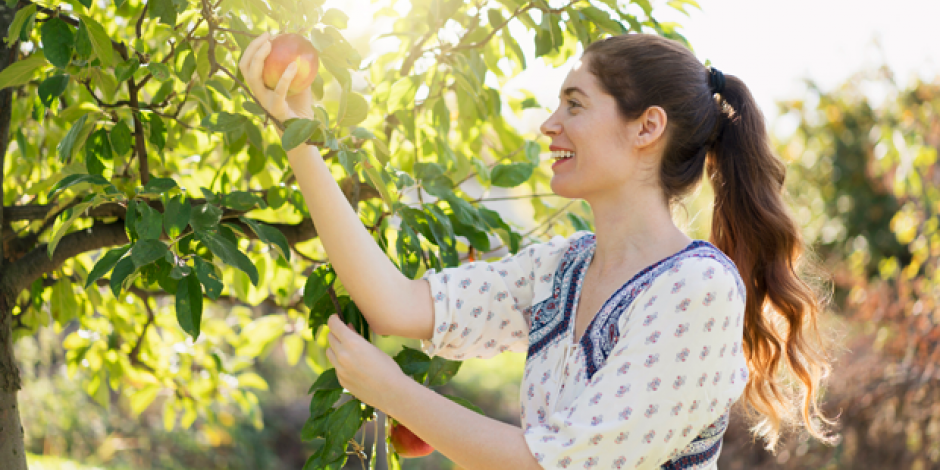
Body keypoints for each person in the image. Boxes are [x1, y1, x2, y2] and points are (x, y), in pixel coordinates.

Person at [238, 32, 833, 469]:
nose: (549, 124)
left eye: (575, 104)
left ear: (647, 127)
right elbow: (397, 305)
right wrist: (300, 131)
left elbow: (550, 466)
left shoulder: (696, 290)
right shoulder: (562, 267)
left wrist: (391, 391)